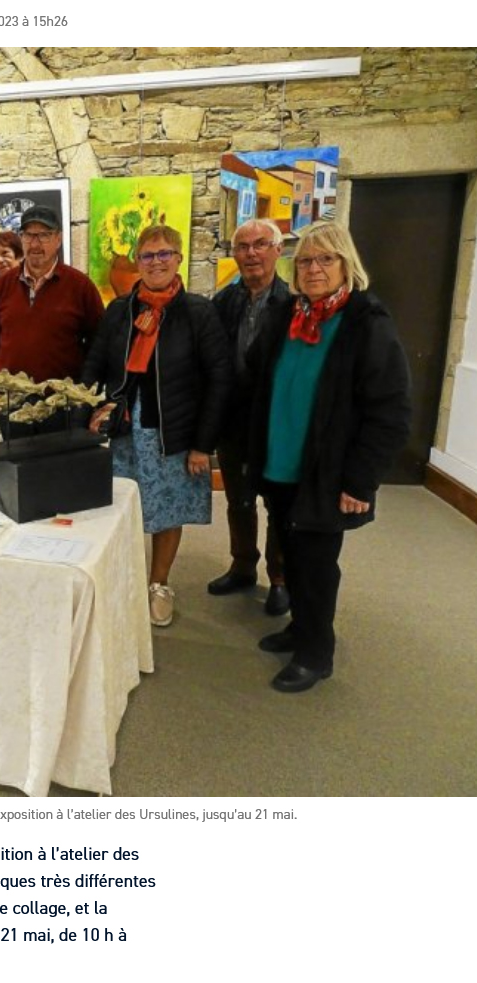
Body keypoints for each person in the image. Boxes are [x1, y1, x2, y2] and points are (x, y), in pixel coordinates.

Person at [247, 221, 410, 693]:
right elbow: (259, 378)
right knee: (290, 555)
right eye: (304, 261)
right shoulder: (288, 315)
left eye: (325, 259)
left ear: (345, 264)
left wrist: (361, 480)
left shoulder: (366, 322)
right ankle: (300, 627)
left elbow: (391, 411)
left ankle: (317, 653)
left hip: (325, 472)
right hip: (280, 463)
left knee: (316, 566)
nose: (313, 269)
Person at [83, 224, 230, 629]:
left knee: (167, 510)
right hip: (123, 430)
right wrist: (88, 408)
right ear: (138, 262)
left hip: (173, 432)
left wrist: (203, 445)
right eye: (147, 255)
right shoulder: (119, 310)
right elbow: (94, 363)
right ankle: (122, 581)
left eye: (164, 254)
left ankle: (158, 584)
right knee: (119, 509)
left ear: (178, 258)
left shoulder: (199, 312)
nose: (156, 262)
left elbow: (219, 380)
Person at [208, 218, 293, 614]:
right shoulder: (222, 303)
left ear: (278, 250)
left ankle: (280, 578)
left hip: (276, 424)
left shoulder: (294, 305)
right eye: (243, 246)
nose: (251, 253)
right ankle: (243, 565)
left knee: (278, 504)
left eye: (260, 244)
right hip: (234, 421)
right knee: (239, 500)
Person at [0, 205, 103, 384]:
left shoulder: (80, 286)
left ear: (58, 239)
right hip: (10, 395)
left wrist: (81, 381)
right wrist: (7, 366)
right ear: (21, 239)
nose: (35, 244)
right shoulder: (2, 286)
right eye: (29, 235)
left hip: (61, 396)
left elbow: (99, 342)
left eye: (44, 235)